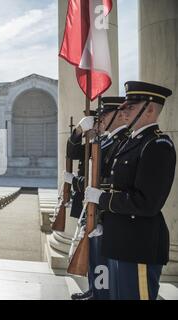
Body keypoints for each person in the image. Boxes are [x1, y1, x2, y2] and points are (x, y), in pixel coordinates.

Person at [85, 81, 176, 300]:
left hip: (138, 244)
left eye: (131, 108)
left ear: (150, 109)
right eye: (124, 108)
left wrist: (103, 199)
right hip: (121, 241)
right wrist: (102, 220)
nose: (124, 114)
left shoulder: (157, 145)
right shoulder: (131, 142)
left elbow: (146, 203)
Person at [66, 97, 129, 300]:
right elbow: (72, 151)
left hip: (103, 207)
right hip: (93, 203)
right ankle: (94, 291)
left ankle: (100, 293)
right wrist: (78, 132)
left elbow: (102, 177)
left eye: (103, 117)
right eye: (98, 118)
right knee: (95, 255)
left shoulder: (116, 141)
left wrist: (76, 182)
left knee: (102, 258)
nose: (99, 121)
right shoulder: (102, 140)